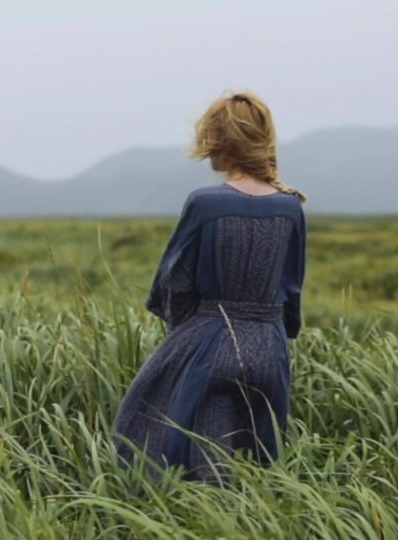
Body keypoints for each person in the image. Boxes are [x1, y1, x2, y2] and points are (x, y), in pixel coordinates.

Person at [112, 91, 307, 483]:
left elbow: (174, 282)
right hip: (269, 347)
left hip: (211, 338)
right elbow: (291, 291)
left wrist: (184, 333)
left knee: (140, 425)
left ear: (221, 142)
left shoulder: (205, 202)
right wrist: (273, 336)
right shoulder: (291, 207)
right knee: (255, 466)